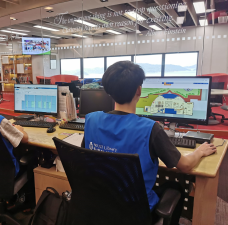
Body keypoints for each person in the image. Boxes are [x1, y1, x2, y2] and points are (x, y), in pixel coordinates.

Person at [81, 61, 217, 224]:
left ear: (108, 91)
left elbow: (89, 158)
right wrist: (199, 151)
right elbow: (185, 166)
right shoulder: (150, 128)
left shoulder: (91, 119)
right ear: (139, 90)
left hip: (99, 206)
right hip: (135, 213)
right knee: (175, 187)